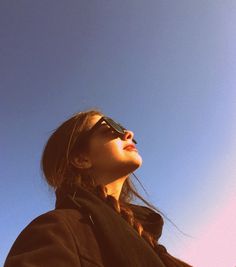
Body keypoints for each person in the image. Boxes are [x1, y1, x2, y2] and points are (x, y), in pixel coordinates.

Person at [4, 109, 193, 267]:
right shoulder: (57, 231)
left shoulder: (146, 235)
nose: (128, 134)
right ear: (81, 159)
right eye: (110, 127)